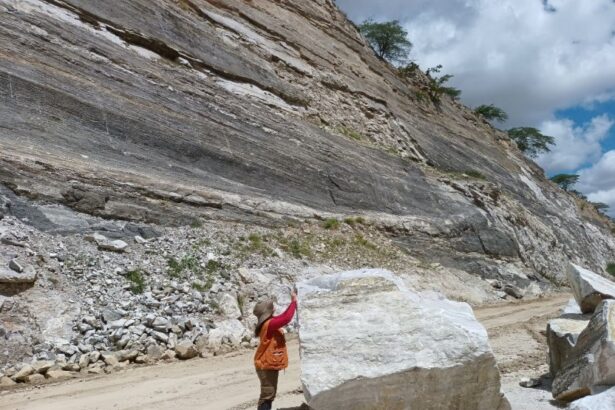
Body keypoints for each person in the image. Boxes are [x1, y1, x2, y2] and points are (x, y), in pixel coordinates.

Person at [252, 289, 298, 410]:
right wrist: (293, 301)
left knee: (269, 394)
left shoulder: (268, 322)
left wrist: (292, 303)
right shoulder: (269, 324)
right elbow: (286, 318)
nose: (274, 308)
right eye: (272, 307)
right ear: (269, 311)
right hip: (265, 365)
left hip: (266, 364)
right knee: (267, 395)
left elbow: (283, 316)